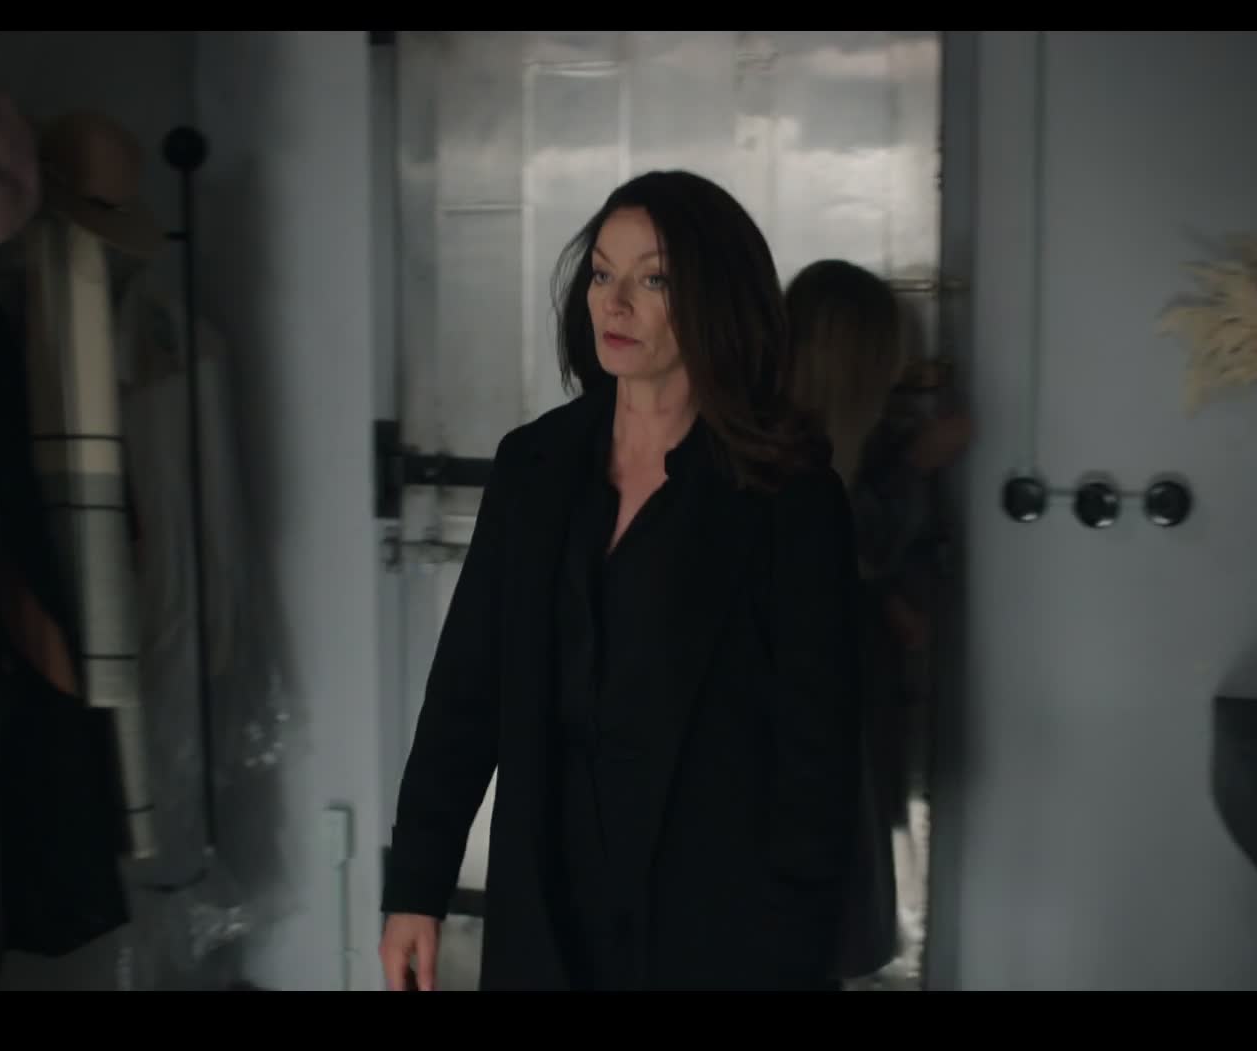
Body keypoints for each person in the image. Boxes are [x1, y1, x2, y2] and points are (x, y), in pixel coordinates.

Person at [378, 171, 865, 992]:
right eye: (603, 273)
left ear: (716, 298)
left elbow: (816, 765)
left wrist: (792, 956)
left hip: (716, 933)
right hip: (546, 918)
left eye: (655, 279)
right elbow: (466, 693)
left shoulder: (789, 499)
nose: (616, 301)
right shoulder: (533, 467)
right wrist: (415, 888)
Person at [782, 259, 975, 986]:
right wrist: (917, 466)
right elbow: (840, 541)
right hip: (800, 748)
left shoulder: (818, 444)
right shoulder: (788, 460)